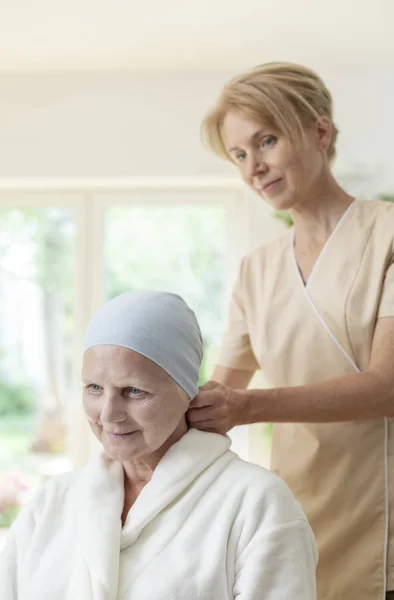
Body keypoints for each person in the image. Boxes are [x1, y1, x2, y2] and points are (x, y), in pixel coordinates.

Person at [187, 62, 394, 600]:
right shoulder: (258, 271)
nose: (254, 167)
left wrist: (249, 407)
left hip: (383, 515)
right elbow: (214, 401)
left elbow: (387, 386)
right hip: (297, 516)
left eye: (267, 141)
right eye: (239, 155)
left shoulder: (388, 236)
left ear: (320, 132)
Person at [0, 290, 317, 600]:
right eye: (94, 387)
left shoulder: (257, 505)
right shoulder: (50, 504)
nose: (109, 414)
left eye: (134, 391)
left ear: (187, 393)